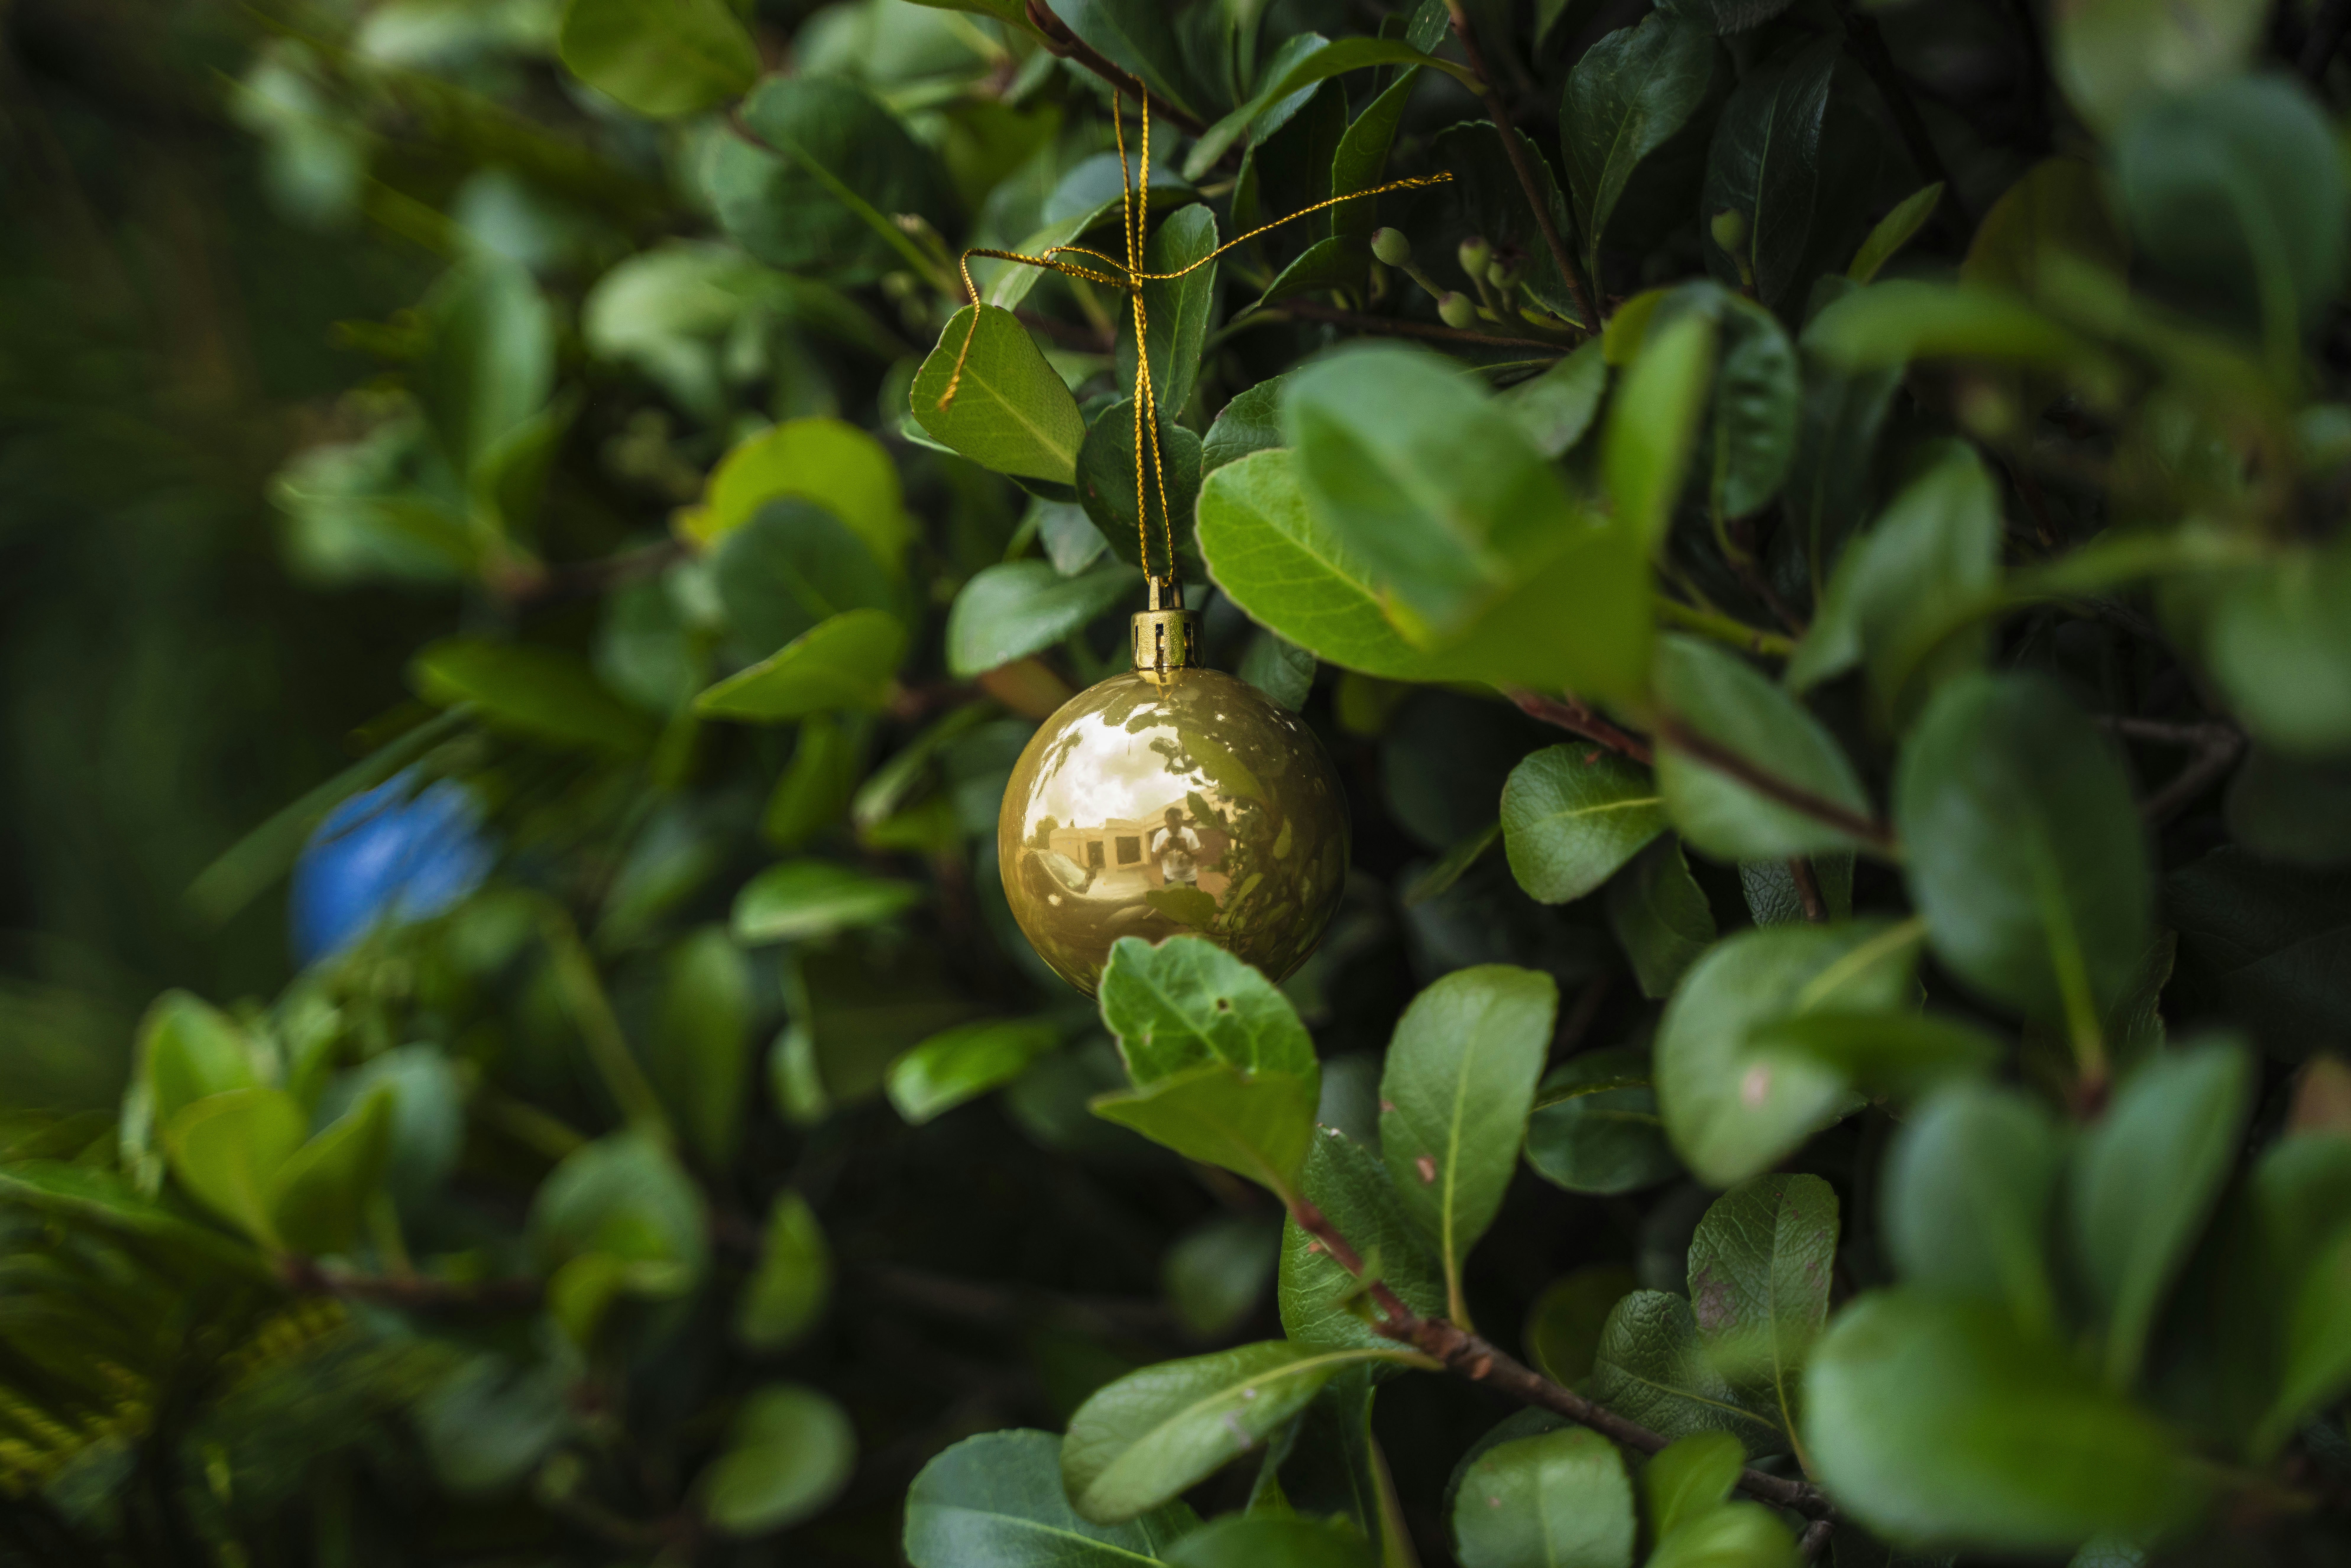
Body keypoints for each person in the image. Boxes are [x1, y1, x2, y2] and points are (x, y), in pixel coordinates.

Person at [1151, 805, 1201, 887]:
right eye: (1171, 826)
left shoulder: (1190, 834)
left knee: (1190, 900)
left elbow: (1199, 858)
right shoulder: (1160, 836)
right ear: (1166, 821)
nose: (1174, 829)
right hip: (1170, 879)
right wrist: (1163, 849)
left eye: (1177, 825)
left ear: (1182, 821)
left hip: (1189, 879)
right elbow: (1154, 859)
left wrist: (1186, 851)